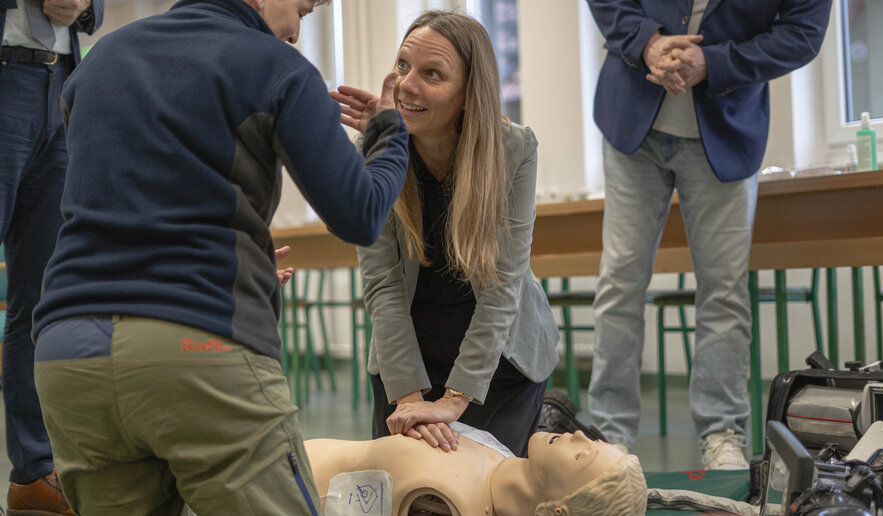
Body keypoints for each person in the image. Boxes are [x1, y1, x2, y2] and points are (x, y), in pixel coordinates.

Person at [30, 0, 410, 513]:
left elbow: (122, 196)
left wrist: (241, 261)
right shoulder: (274, 65)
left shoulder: (98, 60)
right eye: (302, 9)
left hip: (68, 354)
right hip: (195, 346)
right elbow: (360, 214)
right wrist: (389, 132)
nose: (298, 31)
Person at [585, 0, 832, 469]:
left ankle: (722, 432)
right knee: (619, 283)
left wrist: (714, 62)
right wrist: (649, 43)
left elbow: (803, 33)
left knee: (724, 291)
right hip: (632, 123)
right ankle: (609, 434)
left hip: (726, 126)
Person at [332, 10, 559, 458]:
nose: (406, 85)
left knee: (483, 493)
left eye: (432, 74)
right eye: (402, 66)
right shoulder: (376, 149)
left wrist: (455, 401)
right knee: (405, 488)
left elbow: (502, 286)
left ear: (468, 95)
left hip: (497, 364)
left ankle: (554, 418)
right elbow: (382, 285)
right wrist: (410, 398)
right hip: (407, 358)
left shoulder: (514, 148)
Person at [1, 0, 102, 513]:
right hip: (5, 73)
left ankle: (32, 472)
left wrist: (86, 5)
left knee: (37, 296)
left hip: (62, 84)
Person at [304, 430, 647, 516]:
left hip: (275, 482)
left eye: (582, 456)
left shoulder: (444, 502)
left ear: (558, 509)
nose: (579, 435)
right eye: (596, 438)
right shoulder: (500, 457)